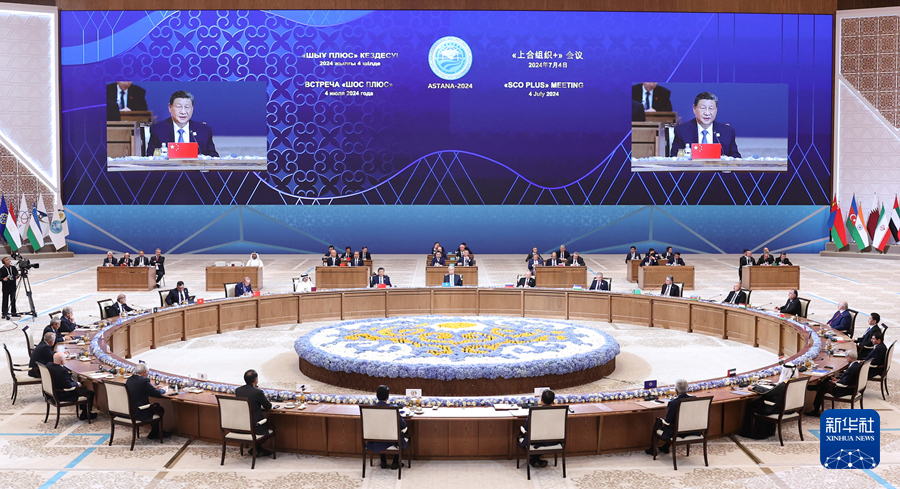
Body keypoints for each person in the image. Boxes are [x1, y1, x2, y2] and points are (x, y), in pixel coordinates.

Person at [146, 90, 219, 157]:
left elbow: (214, 158)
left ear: (192, 109)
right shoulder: (158, 130)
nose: (183, 112)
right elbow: (151, 158)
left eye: (187, 107)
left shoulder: (204, 131)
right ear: (170, 107)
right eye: (179, 107)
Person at [669, 92, 741, 158]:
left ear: (716, 110)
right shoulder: (682, 131)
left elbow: (736, 158)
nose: (707, 113)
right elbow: (674, 158)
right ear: (694, 109)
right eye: (703, 108)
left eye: (711, 108)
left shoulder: (727, 132)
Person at [740, 363, 799, 439]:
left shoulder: (785, 384)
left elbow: (767, 393)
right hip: (791, 409)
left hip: (780, 409)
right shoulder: (797, 381)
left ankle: (754, 433)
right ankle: (770, 431)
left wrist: (754, 388)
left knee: (753, 405)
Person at [806, 351, 860, 417]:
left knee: (822, 389)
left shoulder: (852, 368)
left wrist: (835, 382)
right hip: (852, 387)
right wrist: (838, 380)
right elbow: (849, 379)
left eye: (846, 357)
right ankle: (817, 387)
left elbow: (844, 384)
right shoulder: (857, 365)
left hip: (845, 390)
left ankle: (815, 410)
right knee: (827, 380)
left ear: (850, 358)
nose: (846, 359)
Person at [646, 379, 692, 455]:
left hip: (677, 431)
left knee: (658, 422)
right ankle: (665, 447)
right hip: (692, 429)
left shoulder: (674, 403)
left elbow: (667, 421)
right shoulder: (694, 399)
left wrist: (661, 420)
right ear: (687, 388)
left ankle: (652, 449)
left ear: (676, 390)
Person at [235, 369, 274, 457]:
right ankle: (257, 449)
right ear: (256, 380)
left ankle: (258, 449)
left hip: (241, 425)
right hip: (255, 427)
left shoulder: (238, 390)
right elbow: (268, 406)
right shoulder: (258, 392)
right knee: (269, 426)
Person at [368, 385, 408, 470]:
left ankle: (383, 461)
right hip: (392, 440)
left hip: (375, 440)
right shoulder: (392, 408)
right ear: (387, 397)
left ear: (376, 395)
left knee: (379, 432)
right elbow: (403, 425)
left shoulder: (370, 408)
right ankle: (395, 462)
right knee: (402, 435)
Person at [126, 363, 171, 439]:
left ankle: (154, 432)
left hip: (129, 410)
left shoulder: (130, 379)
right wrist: (164, 389)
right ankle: (158, 433)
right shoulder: (144, 381)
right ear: (144, 372)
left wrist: (153, 388)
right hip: (139, 411)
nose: (148, 373)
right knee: (159, 409)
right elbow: (157, 394)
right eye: (147, 372)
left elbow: (140, 389)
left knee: (155, 409)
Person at [48, 352, 96, 420]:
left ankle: (84, 411)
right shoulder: (62, 371)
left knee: (83, 389)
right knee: (89, 393)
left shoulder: (49, 365)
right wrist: (77, 384)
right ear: (62, 361)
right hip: (62, 394)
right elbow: (68, 386)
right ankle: (86, 414)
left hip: (52, 393)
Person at [519, 389, 556, 468]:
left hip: (536, 440)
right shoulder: (558, 412)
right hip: (553, 440)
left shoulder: (535, 411)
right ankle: (535, 459)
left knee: (526, 434)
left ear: (541, 399)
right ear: (553, 401)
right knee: (541, 436)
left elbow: (527, 427)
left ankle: (534, 459)